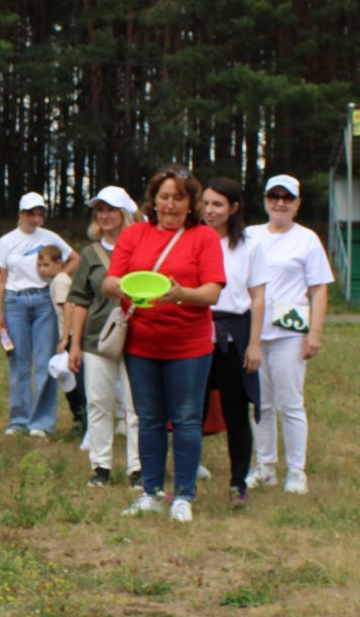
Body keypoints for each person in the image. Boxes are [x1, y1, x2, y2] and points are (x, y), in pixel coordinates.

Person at [103, 167, 225, 523]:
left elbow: (212, 292)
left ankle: (184, 495)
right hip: (140, 343)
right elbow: (111, 279)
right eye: (164, 196)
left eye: (179, 197)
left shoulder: (203, 238)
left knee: (186, 420)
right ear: (153, 200)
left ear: (191, 203)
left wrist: (180, 294)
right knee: (149, 419)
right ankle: (151, 492)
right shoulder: (134, 234)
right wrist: (119, 289)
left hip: (189, 346)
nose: (170, 204)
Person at [248, 174, 332, 495]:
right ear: (266, 200)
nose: (280, 203)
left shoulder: (307, 239)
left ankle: (296, 470)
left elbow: (319, 289)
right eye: (274, 196)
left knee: (290, 402)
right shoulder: (251, 235)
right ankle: (264, 465)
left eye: (287, 198)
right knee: (260, 403)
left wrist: (315, 333)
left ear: (297, 204)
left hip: (289, 332)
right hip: (256, 331)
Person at [65, 186, 140, 487]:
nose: (105, 215)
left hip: (137, 335)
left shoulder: (141, 248)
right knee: (98, 402)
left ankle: (138, 468)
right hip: (98, 337)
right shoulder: (89, 253)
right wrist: (75, 344)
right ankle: (101, 467)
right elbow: (80, 300)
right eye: (100, 210)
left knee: (137, 406)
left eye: (111, 209)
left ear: (124, 213)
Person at [199, 178, 265, 502]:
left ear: (234, 208)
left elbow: (258, 298)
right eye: (206, 203)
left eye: (218, 204)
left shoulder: (249, 245)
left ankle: (239, 482)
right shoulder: (192, 240)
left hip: (234, 332)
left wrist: (254, 344)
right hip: (196, 328)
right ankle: (188, 475)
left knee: (235, 411)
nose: (210, 210)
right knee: (191, 409)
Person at [0, 192, 72, 437]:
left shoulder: (50, 237)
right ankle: (18, 420)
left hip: (42, 301)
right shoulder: (7, 241)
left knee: (43, 362)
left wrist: (58, 277)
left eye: (40, 212)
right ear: (21, 214)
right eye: (31, 213)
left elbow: (73, 258)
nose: (36, 217)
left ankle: (41, 422)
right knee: (18, 362)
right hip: (16, 301)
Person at [38, 243, 84, 433]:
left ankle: (80, 417)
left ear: (59, 263)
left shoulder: (60, 281)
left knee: (69, 377)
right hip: (70, 335)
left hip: (72, 335)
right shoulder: (59, 279)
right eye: (39, 265)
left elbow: (69, 307)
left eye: (46, 265)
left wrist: (65, 338)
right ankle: (80, 417)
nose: (42, 269)